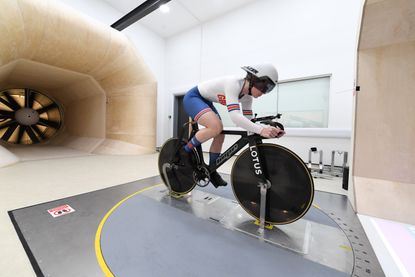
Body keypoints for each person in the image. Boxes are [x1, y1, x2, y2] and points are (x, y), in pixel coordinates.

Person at [182, 63, 285, 188]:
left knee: (219, 135)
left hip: (206, 101)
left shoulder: (247, 98)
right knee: (216, 127)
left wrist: (268, 131)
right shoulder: (233, 83)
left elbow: (248, 122)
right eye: (264, 87)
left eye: (268, 90)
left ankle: (212, 170)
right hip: (194, 97)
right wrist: (261, 129)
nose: (264, 93)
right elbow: (235, 117)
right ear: (254, 80)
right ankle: (185, 151)